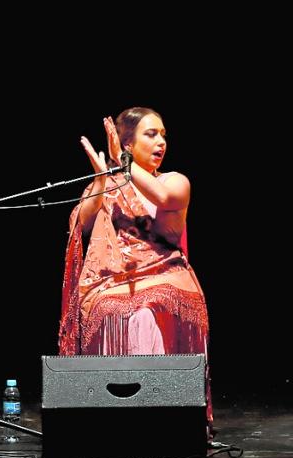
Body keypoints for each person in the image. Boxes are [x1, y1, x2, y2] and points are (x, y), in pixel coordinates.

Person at [58, 107, 211, 427]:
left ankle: (158, 418)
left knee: (143, 312)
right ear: (127, 145)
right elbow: (80, 224)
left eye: (163, 135)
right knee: (112, 308)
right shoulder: (110, 184)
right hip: (109, 282)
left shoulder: (175, 181)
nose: (161, 142)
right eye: (151, 134)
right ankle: (112, 421)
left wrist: (122, 165)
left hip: (164, 274)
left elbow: (162, 197)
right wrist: (102, 180)